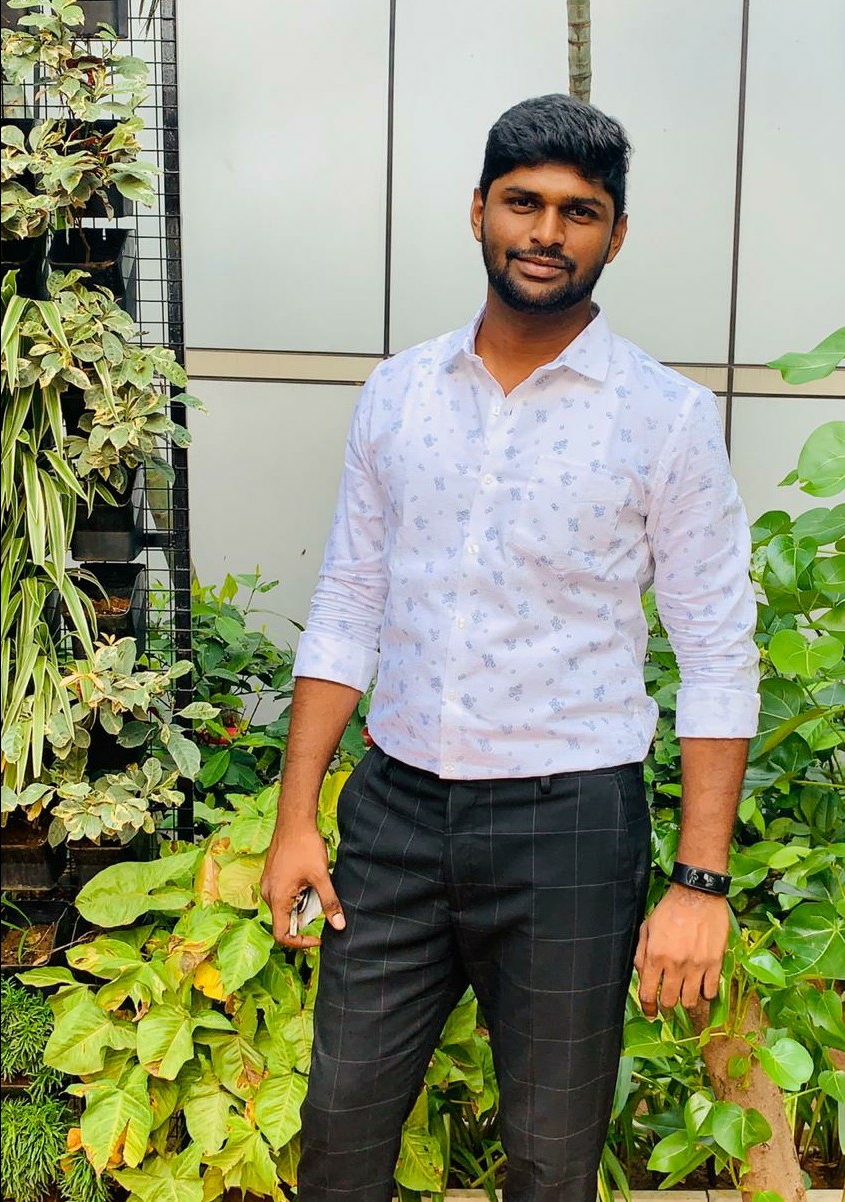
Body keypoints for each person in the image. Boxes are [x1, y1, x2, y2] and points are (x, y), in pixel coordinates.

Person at [261, 93, 759, 1202]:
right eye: (522, 202)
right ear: (477, 210)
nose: (545, 232)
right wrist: (297, 818)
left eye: (578, 212)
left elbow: (717, 654)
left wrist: (698, 880)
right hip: (394, 817)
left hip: (568, 826)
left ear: (614, 235)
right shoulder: (399, 392)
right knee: (338, 1133)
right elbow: (346, 602)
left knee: (548, 1154)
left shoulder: (665, 418)